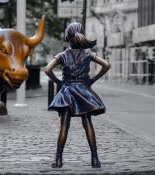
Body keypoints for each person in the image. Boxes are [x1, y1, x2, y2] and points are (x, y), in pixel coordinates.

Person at [44, 22, 111, 168]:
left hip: (67, 91)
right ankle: (95, 160)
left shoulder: (63, 55)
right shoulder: (88, 53)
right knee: (87, 123)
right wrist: (92, 80)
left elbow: (47, 70)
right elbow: (106, 65)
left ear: (67, 38)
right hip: (83, 91)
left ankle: (58, 160)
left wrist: (59, 83)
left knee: (64, 126)